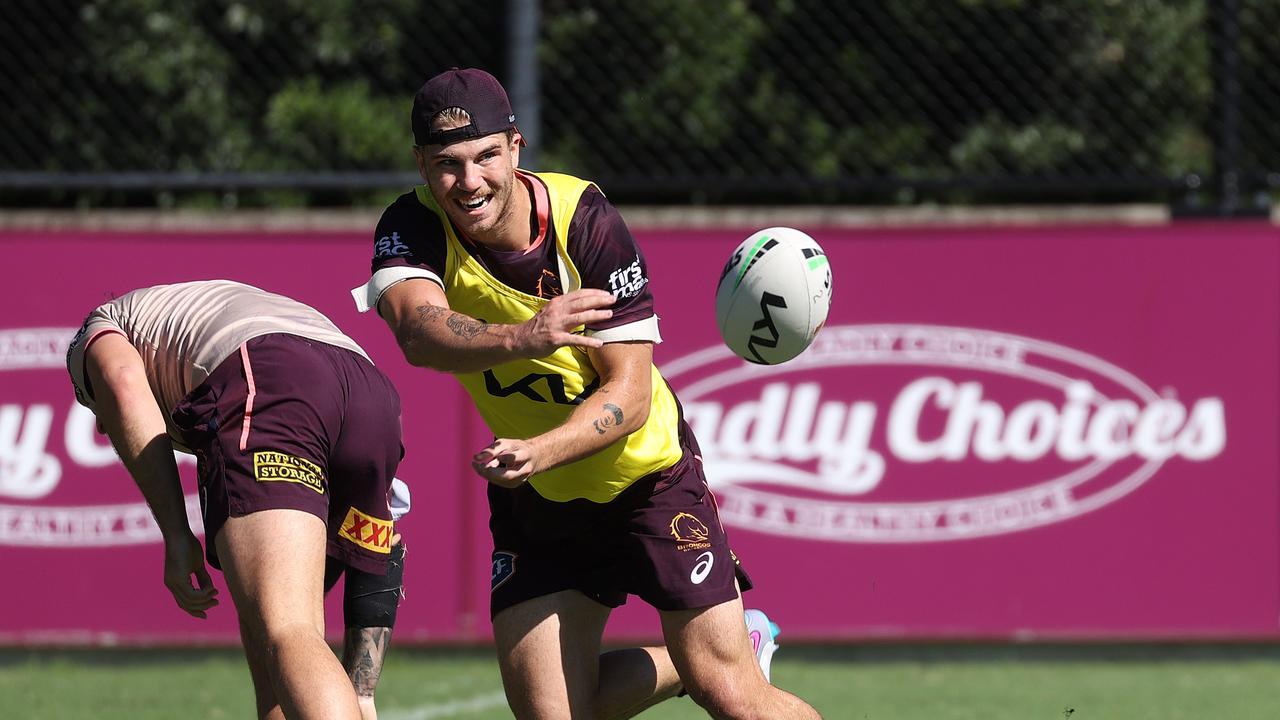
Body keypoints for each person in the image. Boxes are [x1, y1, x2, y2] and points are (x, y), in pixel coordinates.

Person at [352, 67, 821, 719]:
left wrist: (541, 451)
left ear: (515, 148)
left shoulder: (584, 220)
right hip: (540, 500)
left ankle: (718, 657)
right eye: (447, 165)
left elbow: (628, 398)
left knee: (733, 695)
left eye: (486, 156)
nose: (470, 182)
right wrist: (525, 338)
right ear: (421, 166)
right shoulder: (411, 225)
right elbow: (418, 331)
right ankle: (685, 661)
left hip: (647, 479)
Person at [66, 279, 404, 720]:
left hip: (269, 375)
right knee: (274, 624)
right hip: (368, 389)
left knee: (289, 629)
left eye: (97, 414)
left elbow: (119, 380)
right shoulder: (190, 320)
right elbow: (383, 545)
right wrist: (362, 694)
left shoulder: (99, 328)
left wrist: (175, 534)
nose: (103, 431)